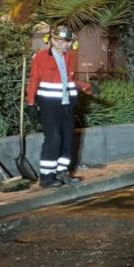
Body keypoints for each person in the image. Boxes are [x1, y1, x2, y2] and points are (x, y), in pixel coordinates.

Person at [27, 25, 93, 188]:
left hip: (67, 104)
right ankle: (47, 177)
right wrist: (30, 102)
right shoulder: (41, 57)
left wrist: (85, 86)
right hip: (49, 104)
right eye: (59, 41)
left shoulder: (69, 57)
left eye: (66, 42)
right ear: (52, 40)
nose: (62, 45)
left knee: (67, 139)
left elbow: (67, 80)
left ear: (70, 43)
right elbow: (34, 80)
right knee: (54, 138)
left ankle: (62, 173)